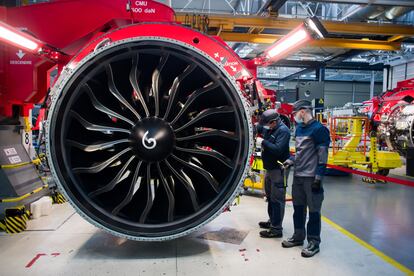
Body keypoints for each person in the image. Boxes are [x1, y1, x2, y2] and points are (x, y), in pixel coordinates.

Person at [282, 99, 330, 258]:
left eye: (295, 113)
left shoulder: (319, 130)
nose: (295, 116)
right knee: (298, 209)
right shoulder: (300, 129)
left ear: (303, 111)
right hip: (298, 177)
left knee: (314, 211)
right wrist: (291, 160)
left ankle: (314, 242)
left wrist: (318, 178)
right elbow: (301, 152)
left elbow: (322, 158)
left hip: (311, 178)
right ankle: (298, 236)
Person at [256, 109, 291, 238]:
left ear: (274, 122)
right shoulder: (270, 128)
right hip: (269, 168)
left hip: (278, 169)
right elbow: (259, 127)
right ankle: (272, 222)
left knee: (277, 199)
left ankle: (276, 229)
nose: (266, 127)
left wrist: (263, 142)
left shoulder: (283, 131)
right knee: (270, 197)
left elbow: (277, 150)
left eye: (268, 124)